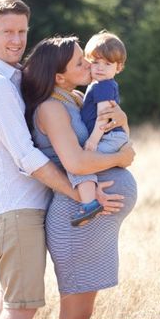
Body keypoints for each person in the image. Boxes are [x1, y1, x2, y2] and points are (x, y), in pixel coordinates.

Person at [0, 0, 135, 319]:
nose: (17, 40)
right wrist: (84, 194)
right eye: (7, 32)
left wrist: (122, 125)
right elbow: (27, 157)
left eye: (22, 31)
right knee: (22, 307)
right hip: (18, 208)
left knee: (11, 303)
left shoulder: (19, 79)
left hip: (34, 206)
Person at [21, 36, 137, 319]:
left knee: (84, 312)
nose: (89, 63)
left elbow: (113, 133)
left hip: (93, 222)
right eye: (79, 62)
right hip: (77, 219)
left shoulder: (76, 98)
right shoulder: (50, 107)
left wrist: (122, 120)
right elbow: (75, 162)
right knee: (75, 314)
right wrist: (120, 159)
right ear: (59, 76)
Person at [70, 30, 131, 226]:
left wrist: (93, 140)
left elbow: (104, 117)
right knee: (84, 163)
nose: (100, 68)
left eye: (107, 64)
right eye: (95, 62)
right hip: (112, 137)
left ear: (119, 67)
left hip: (107, 137)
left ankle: (89, 205)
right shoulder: (100, 84)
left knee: (79, 164)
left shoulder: (103, 85)